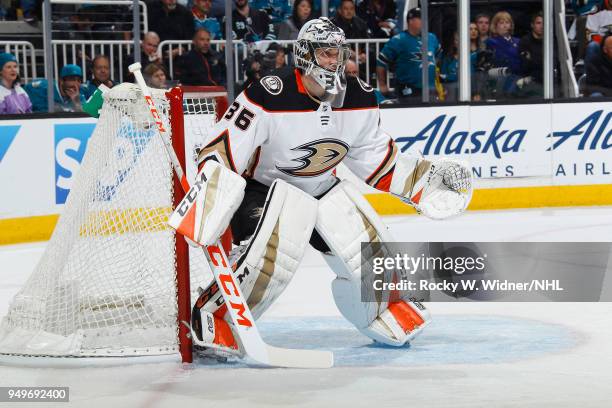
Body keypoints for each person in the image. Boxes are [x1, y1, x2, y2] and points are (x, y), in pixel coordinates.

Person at [181, 17, 472, 357]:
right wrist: (211, 195)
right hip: (264, 192)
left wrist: (422, 181)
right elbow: (223, 147)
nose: (334, 60)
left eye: (337, 52)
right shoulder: (268, 93)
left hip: (321, 188)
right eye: (325, 53)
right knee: (270, 261)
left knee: (368, 253)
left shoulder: (358, 97)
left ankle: (383, 309)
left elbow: (375, 160)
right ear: (305, 55)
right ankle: (215, 316)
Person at [376, 8, 440, 102]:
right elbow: (381, 61)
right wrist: (382, 84)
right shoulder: (398, 40)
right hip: (408, 90)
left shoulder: (432, 38)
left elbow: (438, 56)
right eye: (421, 18)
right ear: (411, 21)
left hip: (430, 89)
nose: (424, 21)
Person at [519, 12, 545, 95]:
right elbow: (525, 65)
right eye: (538, 23)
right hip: (531, 81)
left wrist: (533, 59)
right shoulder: (525, 41)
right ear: (532, 25)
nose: (541, 26)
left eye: (543, 23)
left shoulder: (551, 40)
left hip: (548, 80)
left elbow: (554, 62)